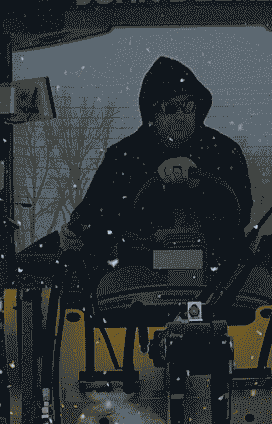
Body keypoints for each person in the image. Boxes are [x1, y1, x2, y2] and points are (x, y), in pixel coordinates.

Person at [61, 57, 252, 268]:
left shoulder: (224, 152)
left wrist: (201, 185)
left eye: (188, 106)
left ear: (198, 108)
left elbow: (241, 213)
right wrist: (77, 234)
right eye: (170, 108)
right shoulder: (123, 157)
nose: (180, 116)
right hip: (140, 272)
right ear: (153, 112)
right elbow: (96, 215)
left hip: (219, 271)